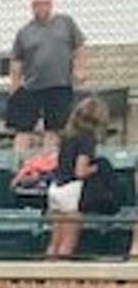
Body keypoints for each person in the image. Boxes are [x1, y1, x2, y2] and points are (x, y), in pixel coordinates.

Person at [8, 0, 86, 156]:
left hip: (59, 84)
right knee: (23, 129)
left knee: (54, 128)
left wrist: (79, 69)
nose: (40, 7)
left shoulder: (66, 23)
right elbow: (17, 61)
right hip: (32, 87)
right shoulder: (25, 32)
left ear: (51, 5)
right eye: (36, 4)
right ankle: (18, 163)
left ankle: (47, 163)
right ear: (32, 7)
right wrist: (14, 86)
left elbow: (78, 47)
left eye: (44, 3)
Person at [42, 96, 117, 260]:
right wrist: (99, 166)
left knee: (54, 242)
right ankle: (60, 279)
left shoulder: (67, 136)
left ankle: (45, 277)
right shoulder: (87, 139)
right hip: (71, 192)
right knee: (68, 241)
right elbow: (80, 171)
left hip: (56, 188)